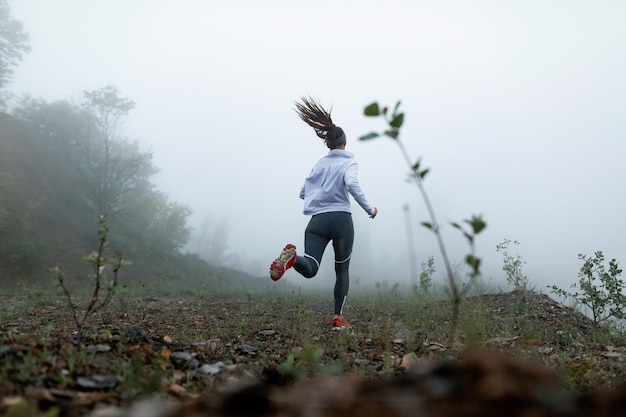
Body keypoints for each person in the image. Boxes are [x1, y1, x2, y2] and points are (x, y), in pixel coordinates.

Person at [269, 97, 378, 331]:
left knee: (311, 267)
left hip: (317, 221)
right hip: (340, 221)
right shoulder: (349, 162)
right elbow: (352, 185)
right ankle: (338, 318)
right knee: (342, 270)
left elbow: (302, 192)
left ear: (328, 145)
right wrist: (370, 209)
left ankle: (293, 259)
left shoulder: (319, 164)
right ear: (345, 142)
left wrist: (320, 196)